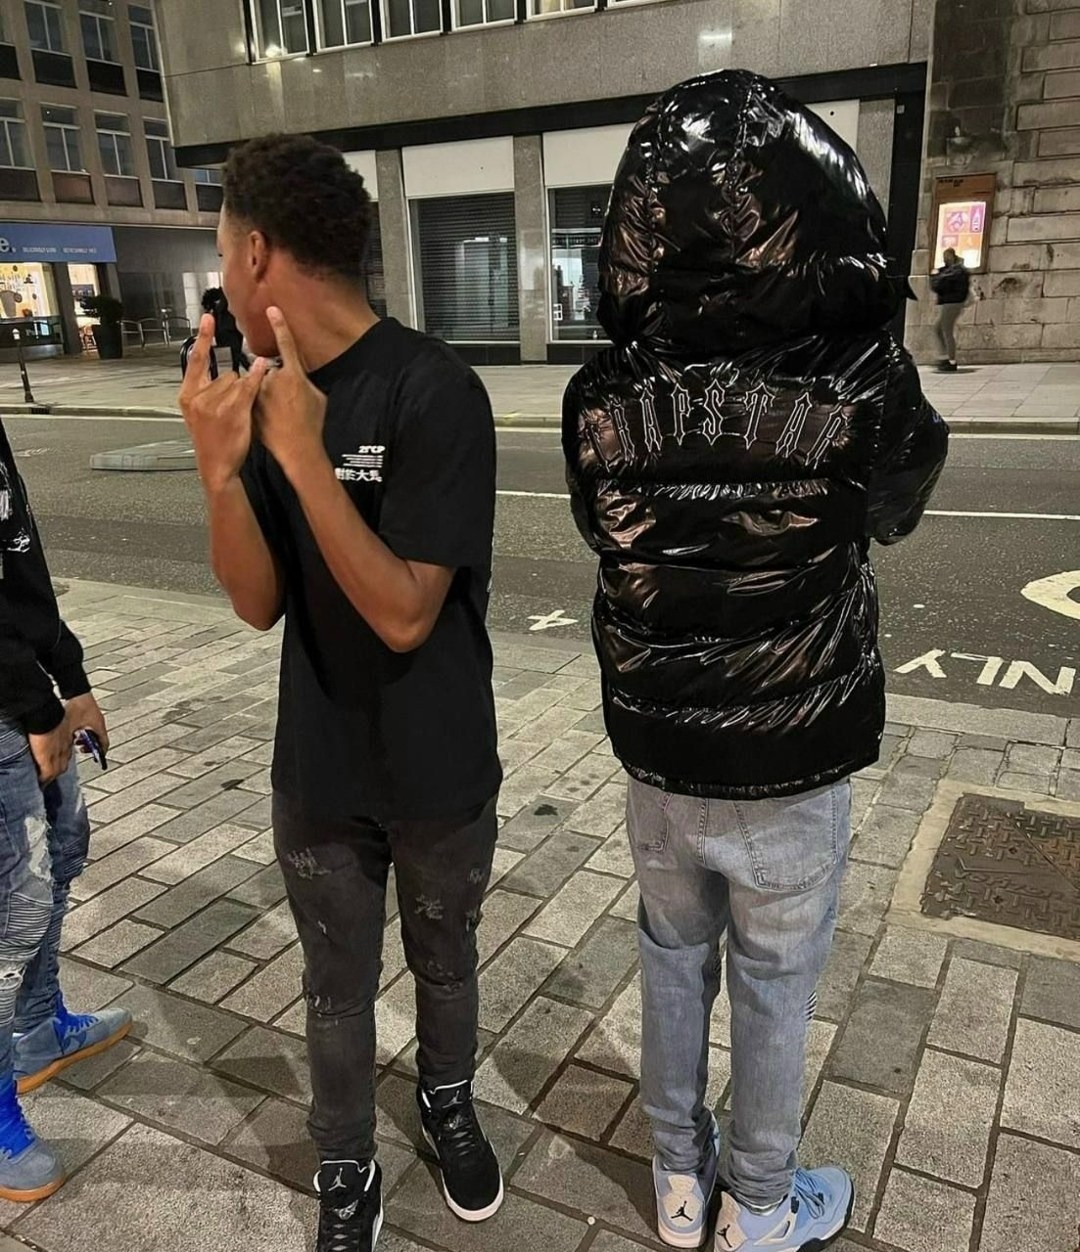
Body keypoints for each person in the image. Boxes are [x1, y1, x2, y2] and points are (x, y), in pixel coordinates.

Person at [564, 71, 948, 1252]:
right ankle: (763, 1206)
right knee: (776, 983)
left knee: (671, 958)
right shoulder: (862, 384)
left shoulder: (601, 396)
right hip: (793, 746)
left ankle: (680, 1184)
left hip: (661, 742)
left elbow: (606, 531)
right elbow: (898, 505)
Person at [179, 134, 503, 1252]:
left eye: (222, 249)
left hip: (439, 765)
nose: (222, 278)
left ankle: (448, 1103)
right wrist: (222, 472)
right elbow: (258, 602)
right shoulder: (266, 397)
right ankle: (346, 1163)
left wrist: (307, 457)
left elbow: (408, 611)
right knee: (334, 986)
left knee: (445, 961)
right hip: (320, 769)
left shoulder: (434, 389)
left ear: (256, 253)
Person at [0, 422, 131, 1203]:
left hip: (25, 690)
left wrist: (70, 676)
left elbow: (16, 556)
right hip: (7, 703)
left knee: (62, 852)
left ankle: (39, 1029)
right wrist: (36, 704)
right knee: (10, 911)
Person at [929, 247, 971, 372]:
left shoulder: (956, 271)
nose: (944, 259)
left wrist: (935, 275)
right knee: (939, 329)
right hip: (951, 302)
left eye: (946, 256)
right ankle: (945, 357)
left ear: (951, 256)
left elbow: (938, 284)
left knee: (945, 330)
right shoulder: (952, 271)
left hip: (952, 303)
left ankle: (950, 360)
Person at [202, 286, 247, 374]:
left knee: (236, 352)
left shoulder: (225, 300)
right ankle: (246, 368)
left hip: (233, 328)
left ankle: (237, 371)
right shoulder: (222, 301)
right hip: (229, 329)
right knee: (236, 352)